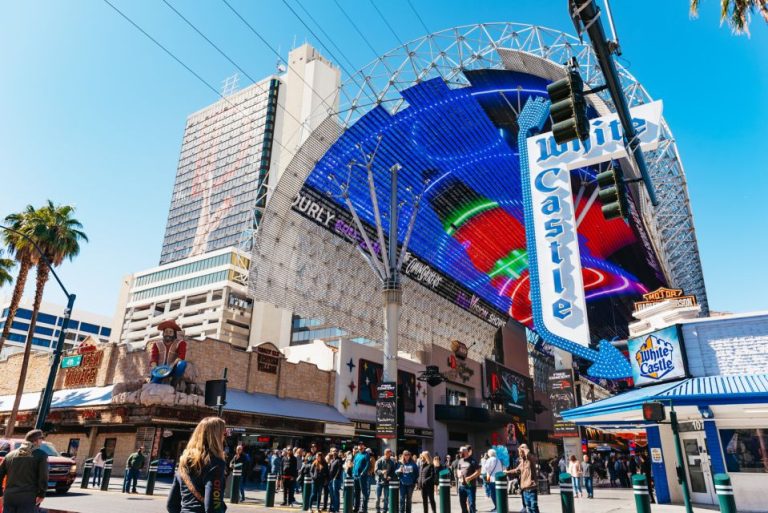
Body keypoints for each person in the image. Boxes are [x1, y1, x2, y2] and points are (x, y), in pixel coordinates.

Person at [166, 416, 227, 513]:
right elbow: (213, 507)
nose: (224, 437)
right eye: (224, 433)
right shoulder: (215, 464)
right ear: (216, 436)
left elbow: (171, 505)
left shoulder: (183, 462)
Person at [0, 429, 48, 513]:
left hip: (9, 496)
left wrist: (0, 494)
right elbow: (43, 477)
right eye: (41, 439)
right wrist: (41, 494)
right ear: (36, 440)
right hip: (28, 497)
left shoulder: (9, 455)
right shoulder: (41, 455)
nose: (42, 441)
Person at [150, 319, 189, 386]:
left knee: (182, 363)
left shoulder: (181, 343)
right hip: (160, 370)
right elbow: (154, 358)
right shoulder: (156, 344)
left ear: (174, 334)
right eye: (166, 331)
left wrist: (171, 366)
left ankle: (174, 383)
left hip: (172, 369)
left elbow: (181, 356)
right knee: (153, 385)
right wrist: (155, 368)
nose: (168, 334)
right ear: (163, 333)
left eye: (170, 332)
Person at [506, 444, 539, 513]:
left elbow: (528, 454)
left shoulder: (530, 459)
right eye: (519, 452)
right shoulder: (522, 462)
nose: (519, 454)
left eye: (521, 452)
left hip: (531, 488)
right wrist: (507, 472)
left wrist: (523, 448)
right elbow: (516, 470)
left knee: (533, 507)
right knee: (528, 507)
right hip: (524, 489)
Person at [455, 446, 480, 513]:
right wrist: (458, 474)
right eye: (459, 452)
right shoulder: (460, 461)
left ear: (465, 452)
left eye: (461, 452)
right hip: (461, 486)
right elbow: (458, 469)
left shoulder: (472, 461)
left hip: (470, 486)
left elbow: (478, 471)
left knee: (471, 503)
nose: (459, 454)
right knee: (462, 503)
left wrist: (470, 477)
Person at [375, 449, 395, 513]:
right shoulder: (379, 461)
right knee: (378, 497)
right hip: (379, 481)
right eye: (388, 453)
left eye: (390, 453)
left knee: (386, 497)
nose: (389, 454)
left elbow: (393, 472)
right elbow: (375, 470)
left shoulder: (391, 462)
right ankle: (377, 509)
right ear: (385, 453)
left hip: (387, 482)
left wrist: (390, 477)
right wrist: (381, 472)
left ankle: (385, 510)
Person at [352, 442, 371, 513]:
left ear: (364, 447)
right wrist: (353, 472)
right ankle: (356, 508)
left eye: (361, 445)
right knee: (356, 493)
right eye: (359, 445)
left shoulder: (366, 454)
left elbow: (367, 464)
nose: (360, 446)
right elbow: (354, 464)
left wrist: (363, 472)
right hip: (355, 476)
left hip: (362, 476)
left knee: (364, 493)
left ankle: (364, 509)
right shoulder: (357, 455)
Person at [328, 449, 343, 513]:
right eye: (333, 451)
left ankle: (336, 509)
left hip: (336, 480)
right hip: (330, 479)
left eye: (336, 451)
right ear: (331, 452)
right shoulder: (331, 460)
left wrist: (335, 477)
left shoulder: (339, 459)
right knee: (331, 495)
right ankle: (332, 508)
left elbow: (339, 469)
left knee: (336, 494)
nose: (334, 452)